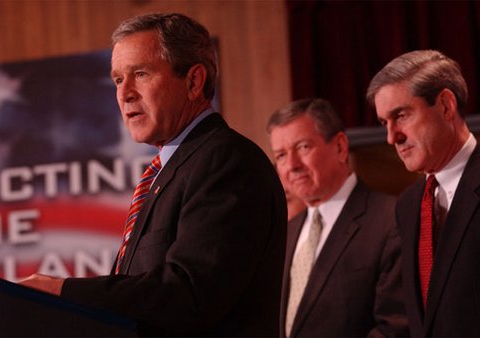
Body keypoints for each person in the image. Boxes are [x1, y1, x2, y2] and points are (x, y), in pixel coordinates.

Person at [19, 12, 288, 337]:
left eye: (141, 74)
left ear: (193, 81)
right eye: (118, 79)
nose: (124, 93)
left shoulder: (226, 161)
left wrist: (63, 292)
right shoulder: (170, 170)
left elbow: (189, 293)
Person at [366, 50, 480, 337]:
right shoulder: (408, 205)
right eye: (385, 122)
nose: (391, 137)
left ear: (446, 105)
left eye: (401, 115)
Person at [267, 98, 408, 338]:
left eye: (303, 148)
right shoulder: (286, 233)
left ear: (341, 147)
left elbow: (396, 327)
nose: (292, 165)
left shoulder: (390, 219)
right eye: (281, 155)